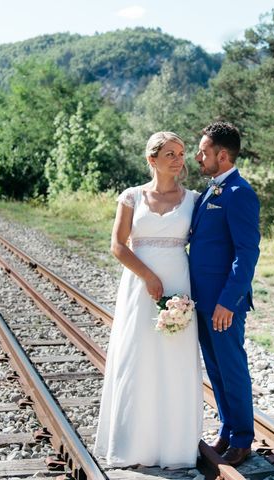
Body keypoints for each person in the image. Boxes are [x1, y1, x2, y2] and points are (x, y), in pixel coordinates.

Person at [94, 132, 203, 468]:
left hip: (179, 285)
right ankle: (133, 445)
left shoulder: (194, 200)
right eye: (170, 153)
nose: (178, 159)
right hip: (138, 287)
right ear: (152, 160)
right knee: (135, 357)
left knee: (174, 360)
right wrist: (148, 276)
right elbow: (118, 245)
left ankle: (175, 448)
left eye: (181, 153)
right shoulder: (131, 197)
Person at [189, 122, 261, 467]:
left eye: (203, 151)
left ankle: (243, 439)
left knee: (232, 369)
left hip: (222, 304)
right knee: (216, 370)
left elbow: (247, 253)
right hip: (201, 301)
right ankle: (228, 429)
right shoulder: (209, 191)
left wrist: (227, 302)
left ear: (222, 154)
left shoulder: (239, 192)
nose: (198, 157)